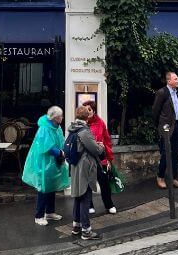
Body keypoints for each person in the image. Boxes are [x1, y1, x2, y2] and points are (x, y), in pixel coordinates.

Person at [21, 105, 70, 226]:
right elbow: (47, 146)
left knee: (51, 186)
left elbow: (61, 141)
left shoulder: (56, 127)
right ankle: (39, 215)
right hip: (44, 162)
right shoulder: (44, 129)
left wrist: (64, 151)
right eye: (61, 116)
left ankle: (50, 212)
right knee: (43, 188)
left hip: (53, 162)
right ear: (55, 117)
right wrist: (60, 153)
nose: (62, 118)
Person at [67, 104, 104, 240]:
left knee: (78, 196)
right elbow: (94, 150)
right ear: (86, 116)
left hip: (76, 167)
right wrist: (101, 146)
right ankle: (86, 231)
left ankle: (76, 227)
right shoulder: (84, 131)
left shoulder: (73, 129)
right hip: (85, 168)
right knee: (85, 198)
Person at [152, 71, 178, 189]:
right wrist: (161, 126)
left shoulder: (177, 93)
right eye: (175, 79)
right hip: (166, 127)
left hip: (176, 125)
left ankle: (173, 178)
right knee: (166, 153)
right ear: (169, 81)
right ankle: (160, 177)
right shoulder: (162, 93)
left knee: (176, 153)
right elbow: (155, 111)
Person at [82, 100, 117, 215]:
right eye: (85, 110)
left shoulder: (100, 122)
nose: (87, 112)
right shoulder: (81, 123)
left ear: (94, 110)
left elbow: (107, 140)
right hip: (86, 158)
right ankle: (89, 205)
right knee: (87, 183)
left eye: (89, 109)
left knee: (104, 182)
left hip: (100, 157)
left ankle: (109, 204)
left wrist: (109, 158)